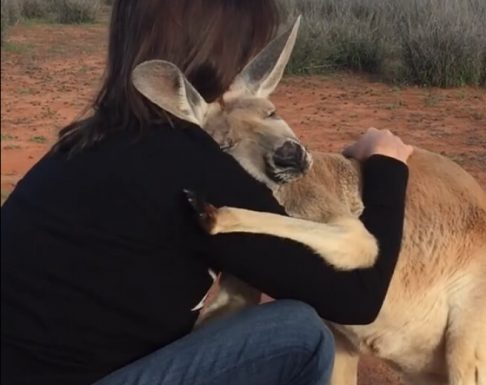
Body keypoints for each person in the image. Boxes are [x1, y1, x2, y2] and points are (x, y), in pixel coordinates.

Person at [0, 1, 413, 385]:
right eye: (245, 50)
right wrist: (387, 167)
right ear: (221, 56)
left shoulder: (83, 143)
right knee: (300, 336)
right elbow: (358, 295)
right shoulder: (191, 166)